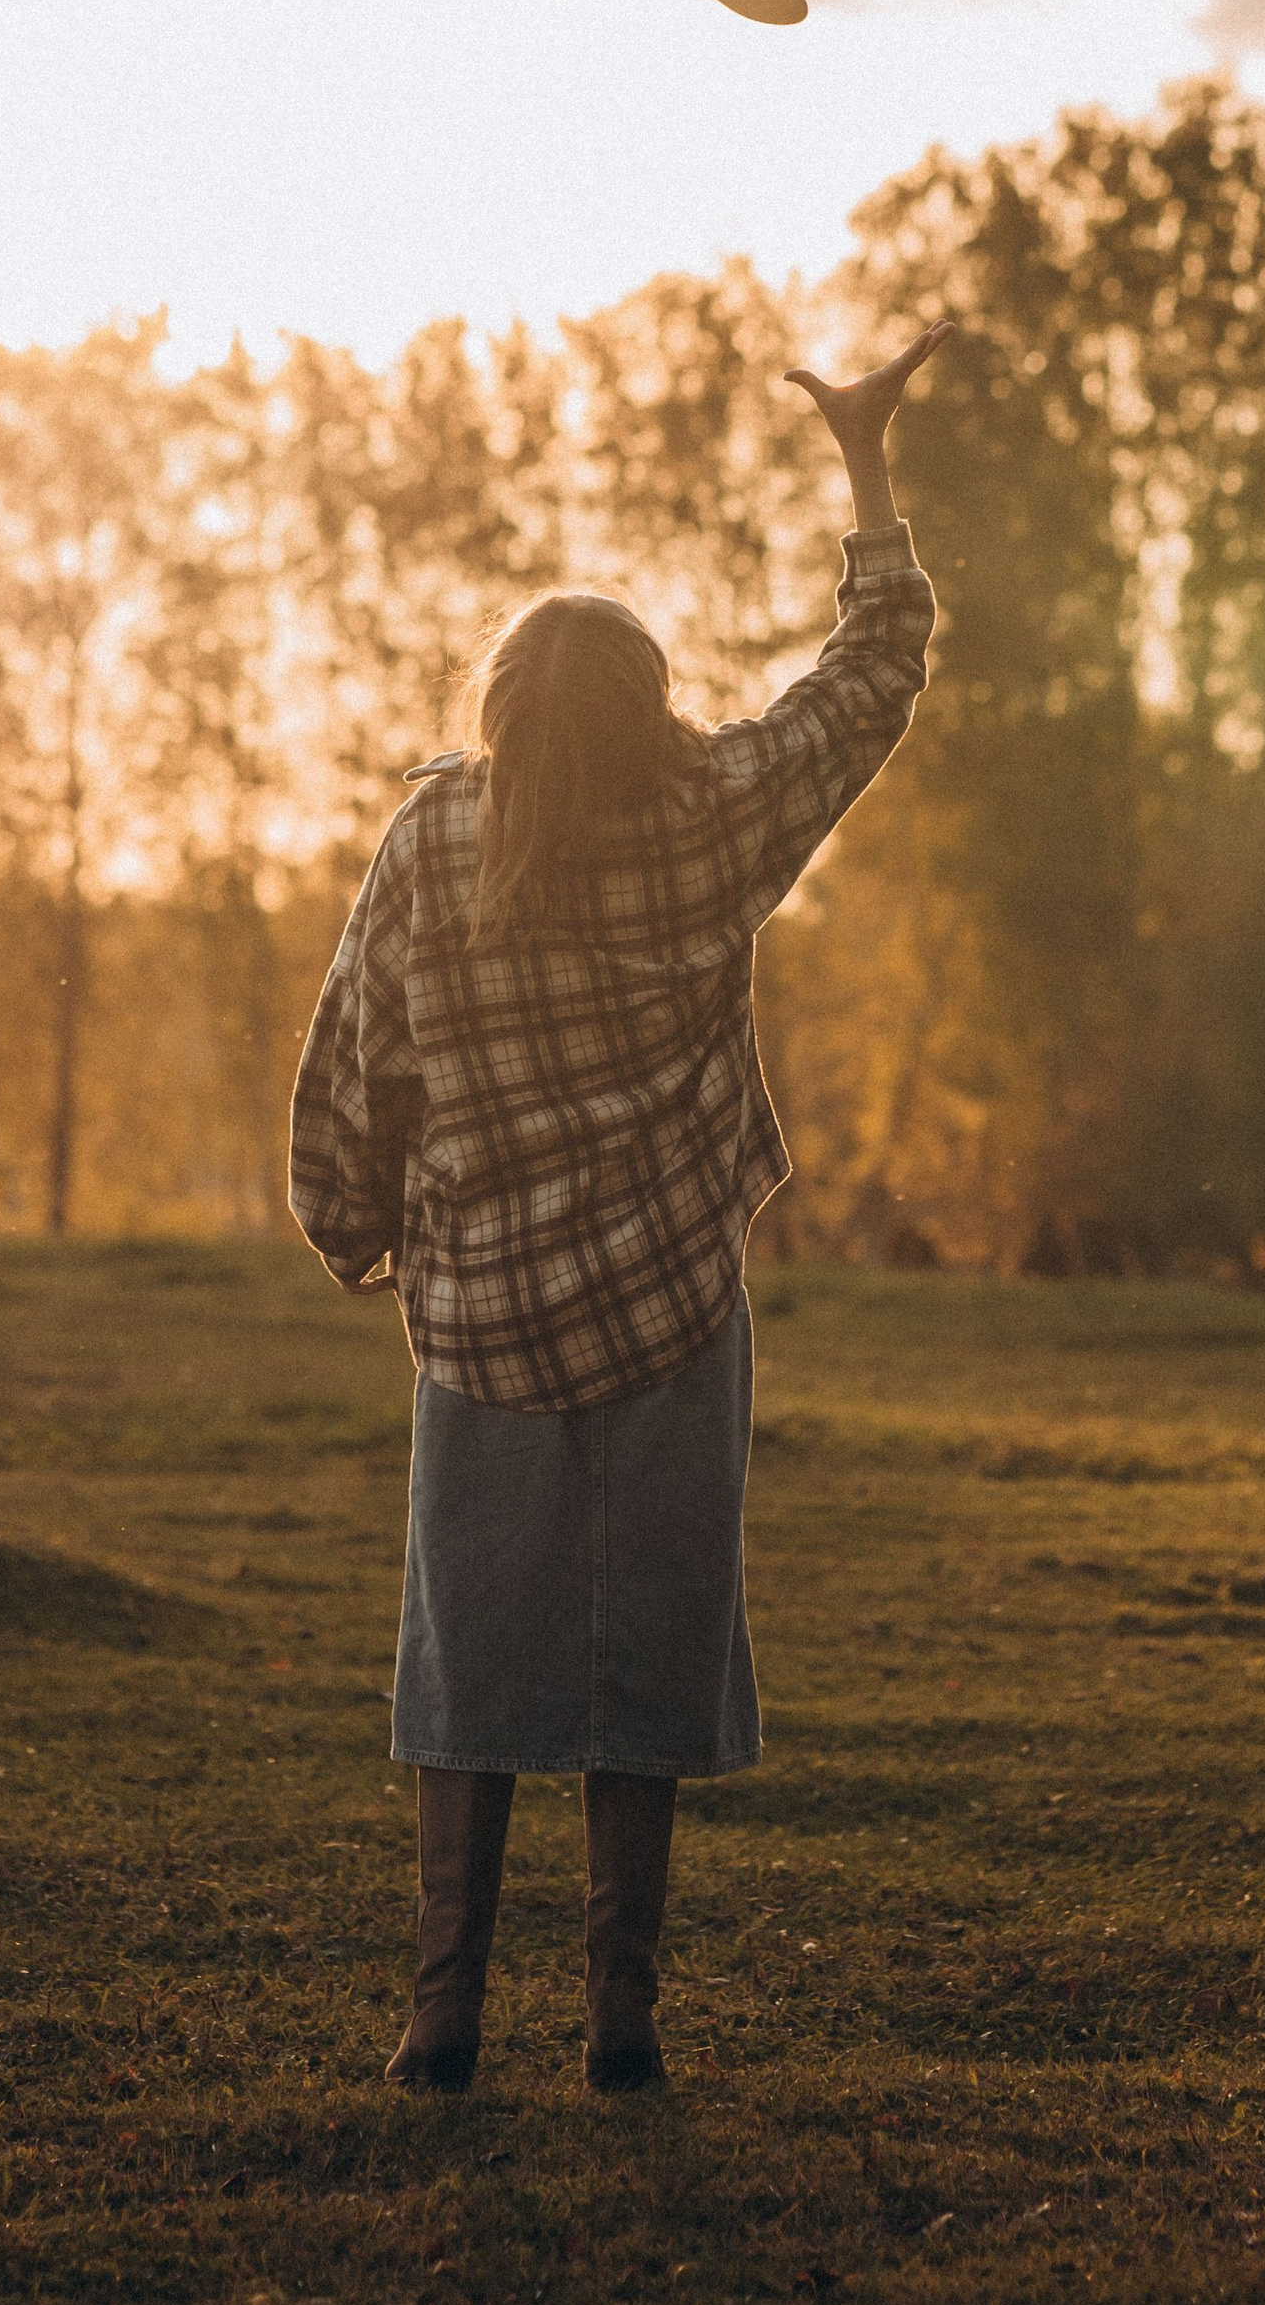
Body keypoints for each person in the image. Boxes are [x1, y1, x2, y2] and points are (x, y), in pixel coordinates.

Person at [287, 324, 945, 2094]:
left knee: (474, 1664)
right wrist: (867, 465)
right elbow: (873, 672)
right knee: (643, 1656)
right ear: (649, 706)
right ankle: (623, 2032)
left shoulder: (431, 843)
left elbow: (355, 1068)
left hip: (483, 1328)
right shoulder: (713, 816)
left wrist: (352, 1225)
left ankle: (441, 2024)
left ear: (500, 717)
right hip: (669, 1316)